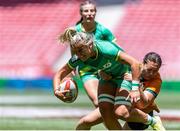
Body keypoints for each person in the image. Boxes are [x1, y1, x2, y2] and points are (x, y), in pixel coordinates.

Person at [54, 28, 141, 130]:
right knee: (105, 112)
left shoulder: (106, 49)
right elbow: (59, 74)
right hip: (108, 78)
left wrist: (135, 88)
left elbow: (135, 64)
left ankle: (150, 119)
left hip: (124, 76)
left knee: (121, 112)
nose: (78, 55)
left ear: (90, 45)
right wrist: (56, 91)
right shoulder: (78, 57)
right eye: (76, 51)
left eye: (81, 50)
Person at [75, 52, 166, 130]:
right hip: (117, 104)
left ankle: (153, 121)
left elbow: (143, 104)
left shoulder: (156, 80)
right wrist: (101, 73)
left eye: (155, 71)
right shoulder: (130, 65)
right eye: (149, 70)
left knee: (121, 112)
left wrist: (136, 82)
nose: (152, 74)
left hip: (140, 113)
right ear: (143, 63)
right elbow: (109, 69)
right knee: (84, 123)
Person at [72, 0, 117, 107]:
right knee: (98, 103)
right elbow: (73, 50)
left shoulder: (104, 31)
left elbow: (115, 50)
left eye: (92, 10)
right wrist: (73, 67)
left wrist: (108, 70)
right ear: (81, 13)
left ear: (96, 12)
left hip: (105, 69)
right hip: (87, 71)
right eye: (86, 11)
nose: (89, 13)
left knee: (111, 103)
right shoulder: (75, 31)